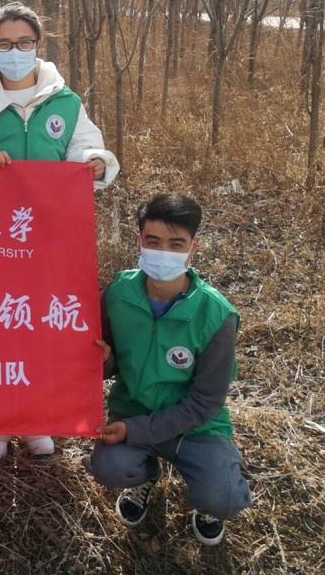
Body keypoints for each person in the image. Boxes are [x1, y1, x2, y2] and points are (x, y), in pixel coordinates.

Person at [0, 2, 119, 459]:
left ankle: (38, 418)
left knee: (41, 328)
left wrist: (95, 164)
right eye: (4, 44)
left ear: (38, 45)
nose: (15, 52)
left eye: (24, 43)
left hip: (49, 239)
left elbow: (86, 148)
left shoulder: (64, 102)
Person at [86, 194, 252, 546]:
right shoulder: (117, 294)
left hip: (197, 428)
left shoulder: (216, 315)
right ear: (139, 241)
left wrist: (135, 430)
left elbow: (205, 402)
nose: (163, 253)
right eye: (153, 241)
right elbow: (103, 358)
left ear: (193, 247)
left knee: (222, 497)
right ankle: (145, 476)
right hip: (134, 409)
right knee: (109, 468)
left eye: (176, 244)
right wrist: (103, 362)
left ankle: (208, 503)